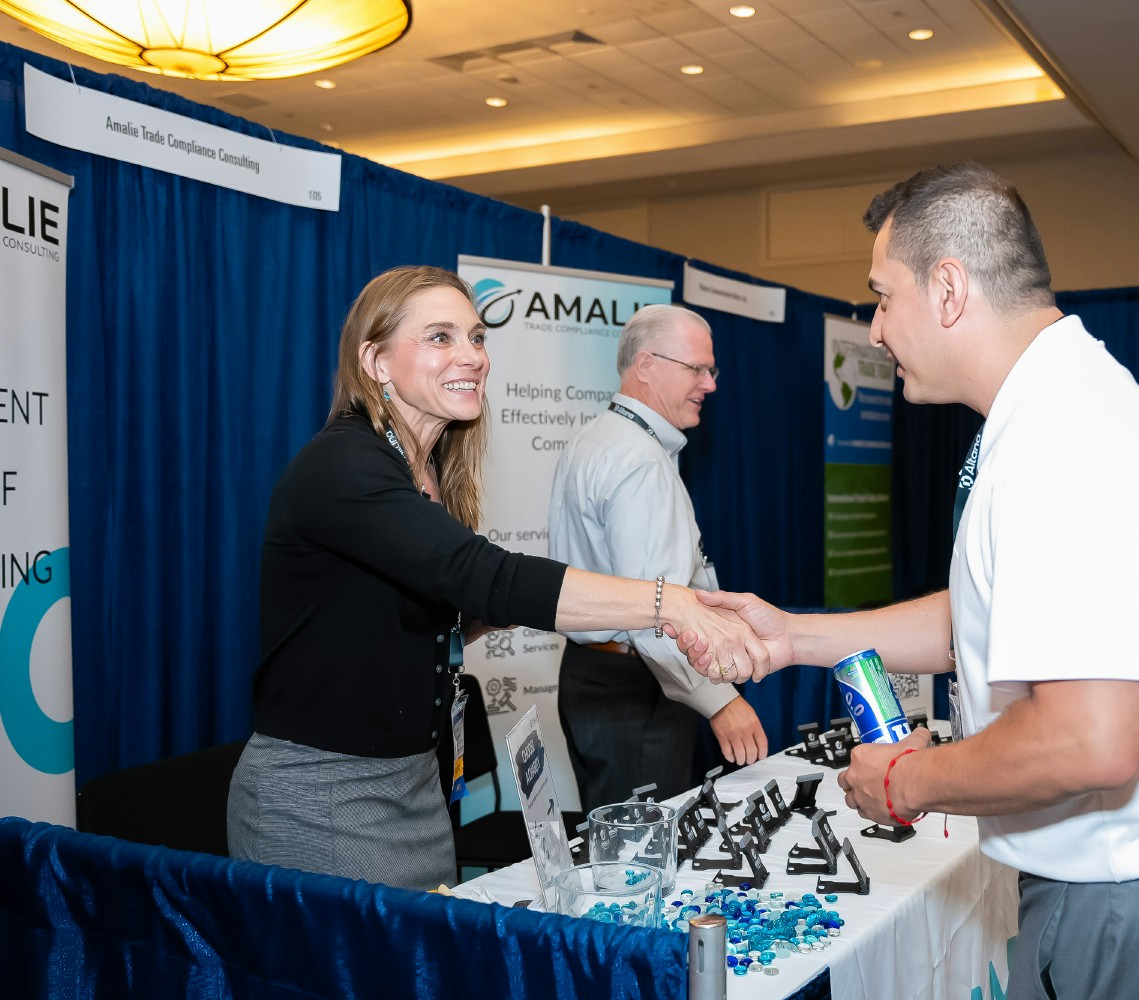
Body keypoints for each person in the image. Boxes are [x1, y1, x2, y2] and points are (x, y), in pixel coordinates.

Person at [683, 163, 1139, 998]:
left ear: (947, 289)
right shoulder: (1056, 407)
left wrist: (905, 781)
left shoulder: (1063, 441)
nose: (876, 330)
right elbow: (987, 614)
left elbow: (1089, 738)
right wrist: (793, 637)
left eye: (883, 297)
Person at [226, 266, 765, 891]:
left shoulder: (425, 474)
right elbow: (482, 575)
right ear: (375, 361)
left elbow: (444, 611)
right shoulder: (344, 464)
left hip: (415, 786)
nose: (472, 356)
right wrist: (668, 602)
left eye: (477, 337)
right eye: (440, 337)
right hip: (326, 797)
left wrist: (511, 610)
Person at [548, 304, 768, 812]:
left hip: (592, 674)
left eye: (711, 370)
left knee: (613, 841)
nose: (709, 384)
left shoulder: (596, 438)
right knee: (643, 850)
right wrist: (720, 702)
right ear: (645, 365)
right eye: (697, 369)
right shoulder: (640, 460)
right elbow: (656, 611)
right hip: (639, 688)